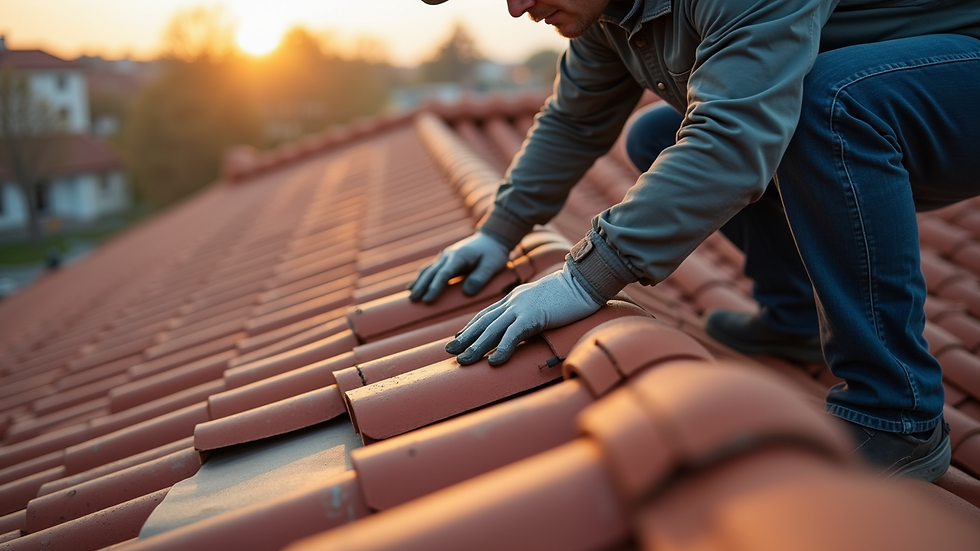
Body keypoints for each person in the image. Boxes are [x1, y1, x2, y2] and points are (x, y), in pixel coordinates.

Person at [409, 0, 980, 482]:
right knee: (657, 133)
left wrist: (586, 277)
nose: (514, 7)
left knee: (826, 104)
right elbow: (573, 122)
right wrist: (498, 231)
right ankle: (795, 322)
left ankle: (897, 415)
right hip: (913, 97)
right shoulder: (610, 17)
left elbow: (735, 132)